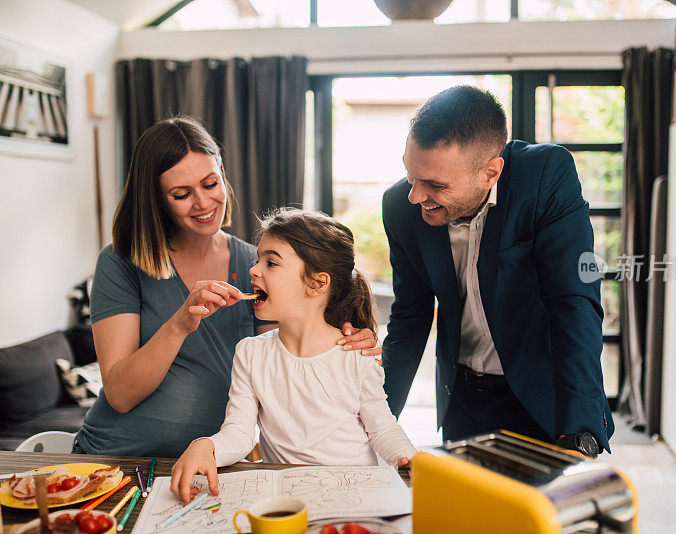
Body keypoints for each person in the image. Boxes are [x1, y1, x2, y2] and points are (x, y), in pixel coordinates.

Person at [73, 117, 380, 457]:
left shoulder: (256, 265)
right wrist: (179, 325)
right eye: (181, 194)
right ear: (156, 199)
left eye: (210, 183)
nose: (203, 203)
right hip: (119, 457)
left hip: (214, 465)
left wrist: (345, 345)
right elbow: (119, 394)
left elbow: (287, 363)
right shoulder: (121, 262)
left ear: (222, 174)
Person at [381, 85, 614, 456]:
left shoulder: (544, 176)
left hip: (543, 398)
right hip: (463, 398)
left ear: (491, 172)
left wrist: (580, 427)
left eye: (435, 185)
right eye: (412, 176)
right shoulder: (399, 206)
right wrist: (375, 419)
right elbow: (410, 316)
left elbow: (574, 300)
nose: (415, 196)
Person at [169, 208, 416, 503]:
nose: (254, 270)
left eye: (271, 263)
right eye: (257, 260)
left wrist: (410, 458)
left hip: (354, 498)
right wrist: (206, 445)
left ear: (317, 283)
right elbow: (240, 432)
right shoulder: (250, 353)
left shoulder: (356, 355)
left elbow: (383, 429)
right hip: (289, 499)